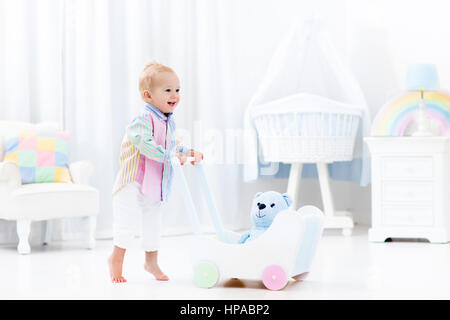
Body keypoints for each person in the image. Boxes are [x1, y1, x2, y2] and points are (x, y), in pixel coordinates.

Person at [108, 61, 203, 283]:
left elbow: (171, 145)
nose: (175, 95)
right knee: (127, 222)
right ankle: (116, 259)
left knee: (153, 221)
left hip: (153, 182)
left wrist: (186, 152)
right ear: (148, 95)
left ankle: (150, 262)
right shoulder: (142, 120)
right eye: (168, 90)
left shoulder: (169, 121)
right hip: (132, 181)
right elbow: (146, 143)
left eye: (177, 90)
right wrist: (170, 156)